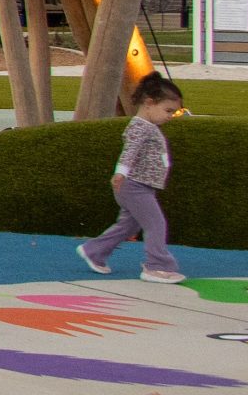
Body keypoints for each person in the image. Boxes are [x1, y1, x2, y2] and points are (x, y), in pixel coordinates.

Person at [77, 74, 187, 284]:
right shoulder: (139, 127)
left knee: (128, 226)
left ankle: (95, 251)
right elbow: (130, 151)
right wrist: (121, 173)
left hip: (139, 186)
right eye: (168, 111)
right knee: (156, 224)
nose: (170, 116)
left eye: (173, 112)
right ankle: (157, 265)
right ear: (149, 104)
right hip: (134, 187)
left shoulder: (148, 127)